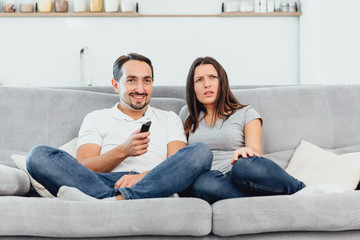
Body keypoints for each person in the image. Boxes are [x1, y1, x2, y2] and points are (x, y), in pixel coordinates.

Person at [26, 53, 213, 201]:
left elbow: (175, 164)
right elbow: (83, 167)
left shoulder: (169, 119)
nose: (140, 89)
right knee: (38, 156)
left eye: (146, 81)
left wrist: (140, 179)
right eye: (131, 80)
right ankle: (115, 198)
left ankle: (108, 201)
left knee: (201, 152)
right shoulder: (96, 118)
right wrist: (123, 151)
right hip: (103, 182)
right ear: (116, 85)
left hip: (153, 180)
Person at [179, 57, 305, 204]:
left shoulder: (246, 113)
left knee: (243, 166)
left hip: (242, 173)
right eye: (199, 80)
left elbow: (255, 151)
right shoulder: (186, 114)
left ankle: (301, 190)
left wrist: (246, 152)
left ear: (222, 81)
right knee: (203, 183)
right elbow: (182, 158)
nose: (207, 84)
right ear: (192, 87)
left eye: (212, 77)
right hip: (214, 182)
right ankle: (263, 202)